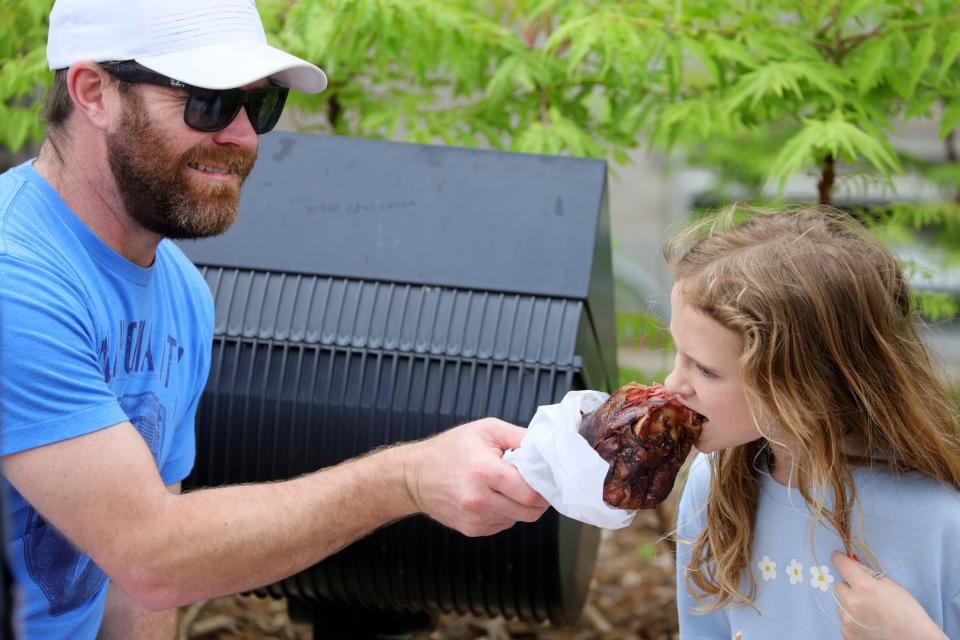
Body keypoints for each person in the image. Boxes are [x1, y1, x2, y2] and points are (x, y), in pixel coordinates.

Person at [0, 1, 548, 638]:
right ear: (94, 91)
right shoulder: (17, 279)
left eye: (259, 106)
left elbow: (136, 595)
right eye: (207, 101)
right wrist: (407, 477)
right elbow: (153, 554)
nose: (242, 136)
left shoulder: (178, 289)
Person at [663, 206, 960, 639]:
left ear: (804, 385)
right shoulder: (714, 489)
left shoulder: (940, 523)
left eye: (705, 369)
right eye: (678, 353)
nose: (673, 384)